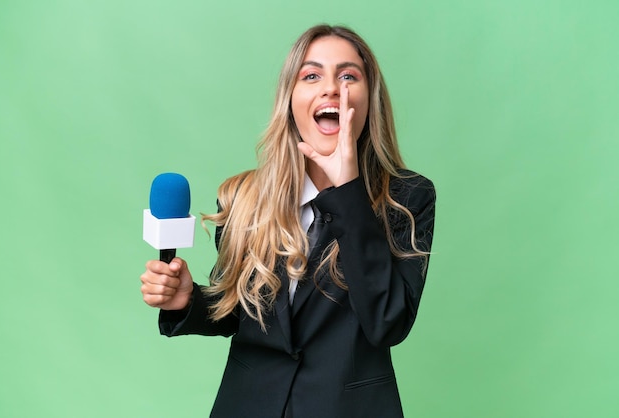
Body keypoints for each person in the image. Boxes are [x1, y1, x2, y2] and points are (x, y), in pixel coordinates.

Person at [140, 24, 436, 418]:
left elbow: (387, 322)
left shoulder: (408, 198)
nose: (331, 87)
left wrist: (346, 187)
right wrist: (187, 300)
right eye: (311, 75)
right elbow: (238, 312)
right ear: (291, 101)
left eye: (349, 76)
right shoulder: (244, 198)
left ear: (370, 100)